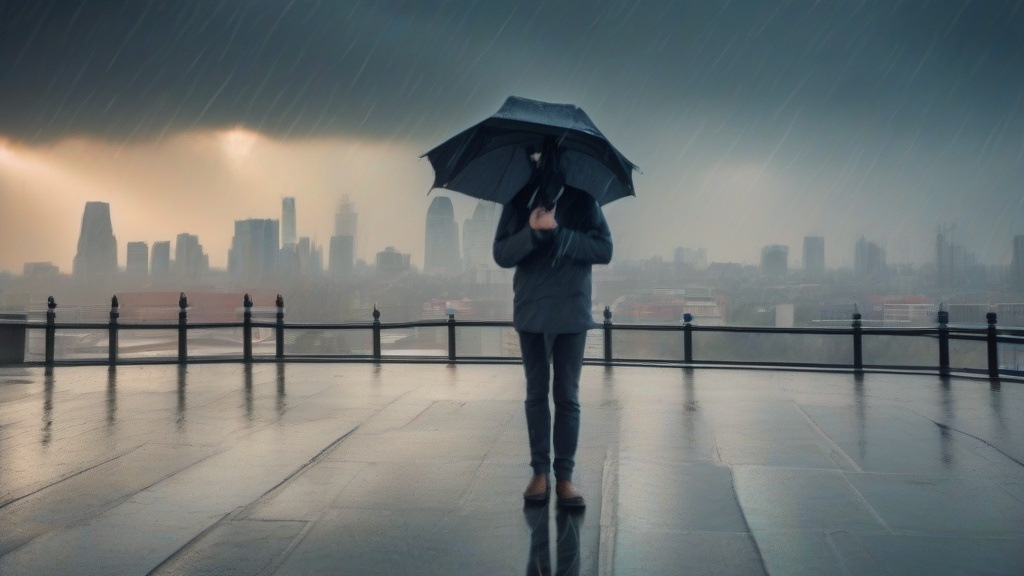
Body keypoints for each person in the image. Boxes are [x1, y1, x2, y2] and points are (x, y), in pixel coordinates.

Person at [492, 154, 613, 508]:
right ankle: (540, 473)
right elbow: (501, 253)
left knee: (567, 396)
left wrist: (558, 233)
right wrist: (532, 232)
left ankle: (565, 477)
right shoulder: (518, 200)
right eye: (540, 157)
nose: (546, 165)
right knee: (536, 394)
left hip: (572, 312)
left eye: (553, 157)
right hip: (532, 311)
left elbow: (604, 250)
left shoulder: (584, 200)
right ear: (531, 160)